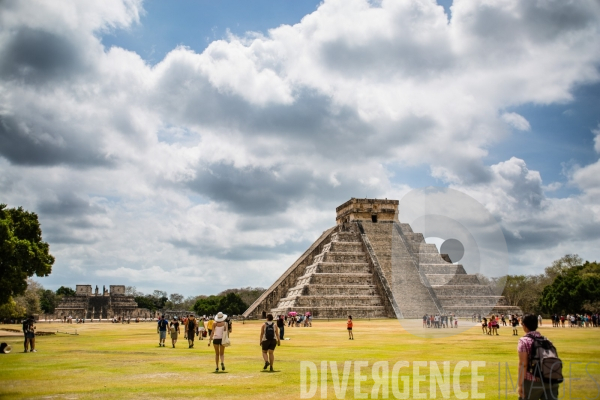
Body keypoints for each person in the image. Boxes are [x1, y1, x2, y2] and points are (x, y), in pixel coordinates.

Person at [517, 314, 560, 400]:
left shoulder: (524, 341)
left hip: (533, 381)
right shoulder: (546, 340)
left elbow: (523, 364)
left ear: (524, 325)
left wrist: (520, 384)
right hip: (551, 379)